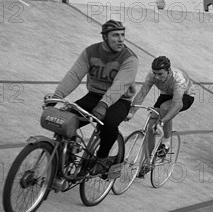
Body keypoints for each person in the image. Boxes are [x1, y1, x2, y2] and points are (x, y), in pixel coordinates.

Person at [47, 20, 138, 172]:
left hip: (119, 100)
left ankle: (101, 159)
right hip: (94, 95)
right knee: (64, 120)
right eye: (115, 35)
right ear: (105, 38)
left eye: (123, 35)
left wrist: (104, 105)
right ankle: (69, 151)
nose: (121, 39)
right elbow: (75, 75)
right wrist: (57, 96)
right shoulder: (91, 52)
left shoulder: (130, 58)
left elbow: (120, 85)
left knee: (109, 124)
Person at [128, 56, 195, 177]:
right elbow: (142, 94)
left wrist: (162, 122)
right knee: (150, 127)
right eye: (155, 73)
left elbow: (176, 105)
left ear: (168, 71)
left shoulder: (178, 79)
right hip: (167, 94)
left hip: (185, 96)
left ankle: (166, 142)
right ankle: (147, 162)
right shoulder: (152, 75)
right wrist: (131, 112)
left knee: (164, 108)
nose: (157, 77)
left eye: (160, 74)